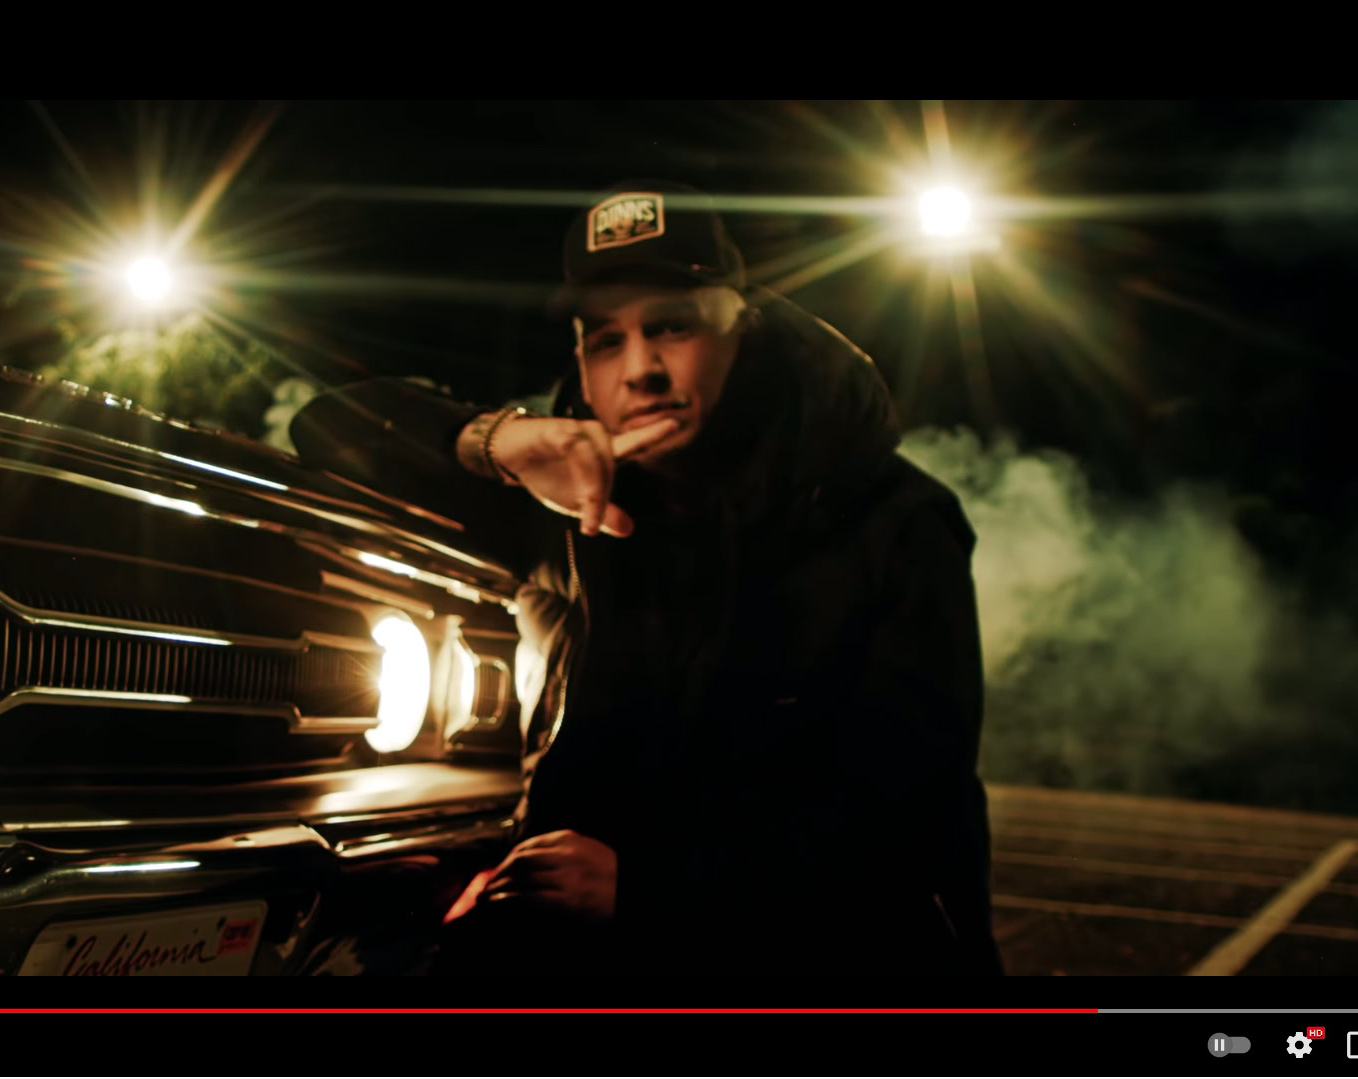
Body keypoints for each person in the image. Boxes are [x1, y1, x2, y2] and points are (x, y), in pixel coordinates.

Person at [291, 181, 1002, 977]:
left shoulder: (890, 516)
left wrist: (649, 889)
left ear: (742, 329)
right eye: (606, 340)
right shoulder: (564, 498)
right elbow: (324, 425)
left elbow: (906, 826)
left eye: (672, 326)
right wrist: (495, 441)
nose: (640, 370)